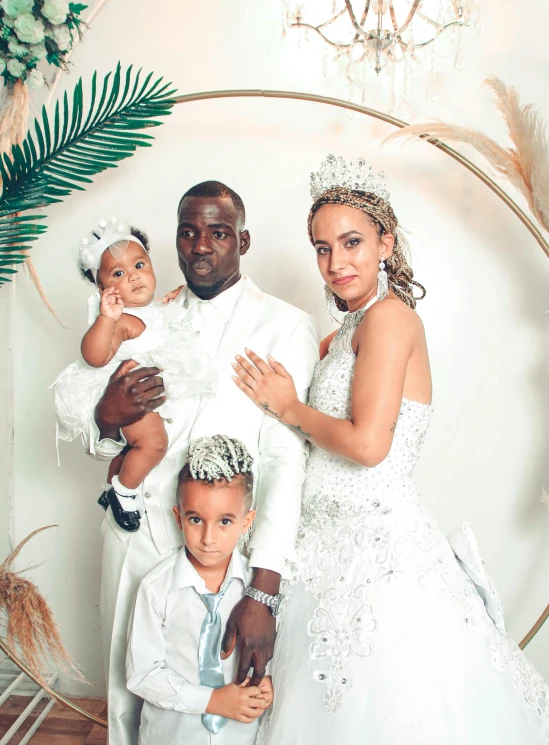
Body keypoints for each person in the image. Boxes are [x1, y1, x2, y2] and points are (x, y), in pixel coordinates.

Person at [233, 155, 549, 744]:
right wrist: (181, 303)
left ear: (386, 242)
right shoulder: (349, 330)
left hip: (376, 554)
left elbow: (368, 444)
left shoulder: (391, 319)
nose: (336, 262)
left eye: (351, 242)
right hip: (324, 550)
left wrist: (289, 408)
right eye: (323, 249)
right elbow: (284, 343)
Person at [67, 181, 319, 745]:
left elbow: (284, 462)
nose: (201, 245)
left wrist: (264, 588)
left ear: (243, 240)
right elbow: (104, 436)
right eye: (188, 232)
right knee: (128, 696)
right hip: (134, 540)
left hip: (221, 552)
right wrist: (107, 418)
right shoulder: (142, 315)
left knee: (220, 711)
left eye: (219, 232)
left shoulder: (286, 325)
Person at [52, 217, 216, 532]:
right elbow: (95, 355)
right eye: (118, 273)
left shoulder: (151, 309)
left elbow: (164, 323)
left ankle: (111, 486)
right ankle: (124, 493)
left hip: (146, 393)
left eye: (139, 265)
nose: (134, 277)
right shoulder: (122, 319)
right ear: (103, 288)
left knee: (132, 449)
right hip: (129, 394)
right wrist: (106, 318)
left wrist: (171, 302)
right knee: (154, 443)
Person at [127, 435, 274, 745]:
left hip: (240, 735)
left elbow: (271, 649)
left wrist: (269, 682)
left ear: (246, 522)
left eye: (224, 521)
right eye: (196, 519)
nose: (208, 538)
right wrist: (211, 701)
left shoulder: (258, 591)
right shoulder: (156, 589)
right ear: (179, 517)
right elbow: (142, 674)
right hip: (172, 735)